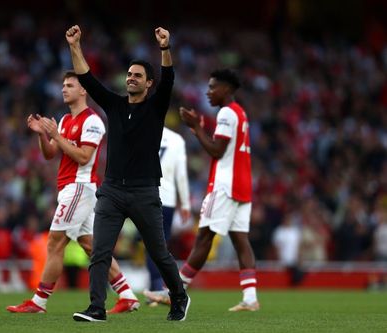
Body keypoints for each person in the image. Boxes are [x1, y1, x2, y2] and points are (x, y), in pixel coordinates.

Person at [66, 25, 190, 322]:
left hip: (145, 191)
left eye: (137, 76)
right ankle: (97, 307)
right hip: (111, 191)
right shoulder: (115, 105)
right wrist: (75, 45)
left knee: (159, 254)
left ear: (148, 84)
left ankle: (179, 296)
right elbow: (87, 79)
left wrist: (164, 49)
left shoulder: (156, 107)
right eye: (129, 74)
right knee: (100, 252)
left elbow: (169, 78)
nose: (131, 78)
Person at [6, 71, 139, 314]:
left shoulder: (93, 121)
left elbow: (84, 157)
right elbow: (50, 154)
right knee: (91, 246)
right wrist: (42, 135)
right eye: (63, 85)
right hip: (70, 188)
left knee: (55, 242)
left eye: (69, 85)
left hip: (80, 187)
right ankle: (127, 295)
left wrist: (56, 135)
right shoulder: (66, 120)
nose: (64, 89)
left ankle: (39, 301)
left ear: (83, 90)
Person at [146, 69, 260, 312]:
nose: (207, 93)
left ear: (226, 89)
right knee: (240, 240)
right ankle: (250, 297)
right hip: (242, 185)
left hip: (225, 186)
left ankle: (174, 291)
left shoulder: (227, 114)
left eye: (212, 87)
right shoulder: (240, 113)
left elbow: (217, 150)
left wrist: (197, 128)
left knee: (204, 238)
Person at [144, 127, 190, 295]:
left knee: (149, 243)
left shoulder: (143, 132)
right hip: (167, 199)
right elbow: (181, 174)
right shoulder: (176, 139)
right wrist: (184, 203)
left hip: (144, 194)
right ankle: (157, 285)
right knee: (161, 243)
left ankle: (155, 285)